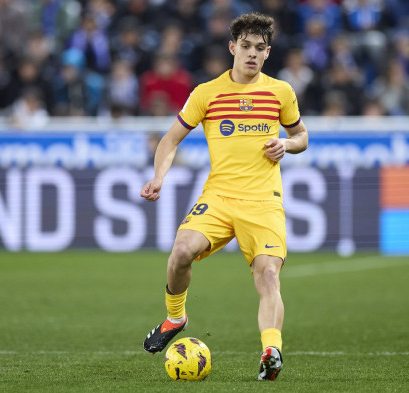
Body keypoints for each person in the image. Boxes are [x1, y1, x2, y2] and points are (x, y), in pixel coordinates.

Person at [139, 12, 308, 381]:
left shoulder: (281, 92)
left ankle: (271, 350)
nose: (252, 54)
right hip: (218, 198)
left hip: (263, 202)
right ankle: (175, 317)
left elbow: (302, 136)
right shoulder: (207, 93)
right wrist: (158, 177)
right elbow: (170, 140)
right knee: (181, 252)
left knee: (267, 274)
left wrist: (286, 143)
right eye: (245, 46)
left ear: (267, 54)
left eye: (259, 49)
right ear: (232, 47)